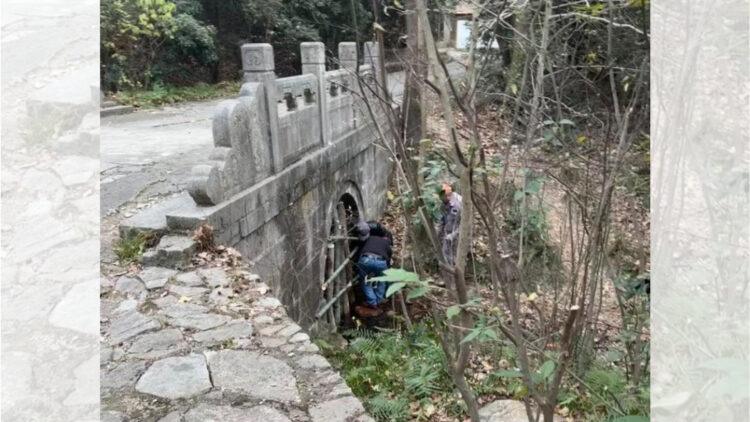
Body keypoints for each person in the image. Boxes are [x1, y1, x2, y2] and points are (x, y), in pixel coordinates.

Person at [354, 220, 393, 317]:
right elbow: (388, 259)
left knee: (365, 281)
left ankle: (372, 302)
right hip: (381, 262)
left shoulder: (369, 238)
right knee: (382, 281)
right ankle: (378, 301)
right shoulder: (387, 244)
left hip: (366, 259)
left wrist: (356, 266)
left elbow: (360, 250)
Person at [438, 182, 462, 265]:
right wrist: (439, 234)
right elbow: (442, 220)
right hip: (447, 234)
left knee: (455, 260)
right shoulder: (444, 203)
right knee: (446, 257)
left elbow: (464, 225)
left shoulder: (458, 205)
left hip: (458, 236)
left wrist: (453, 235)